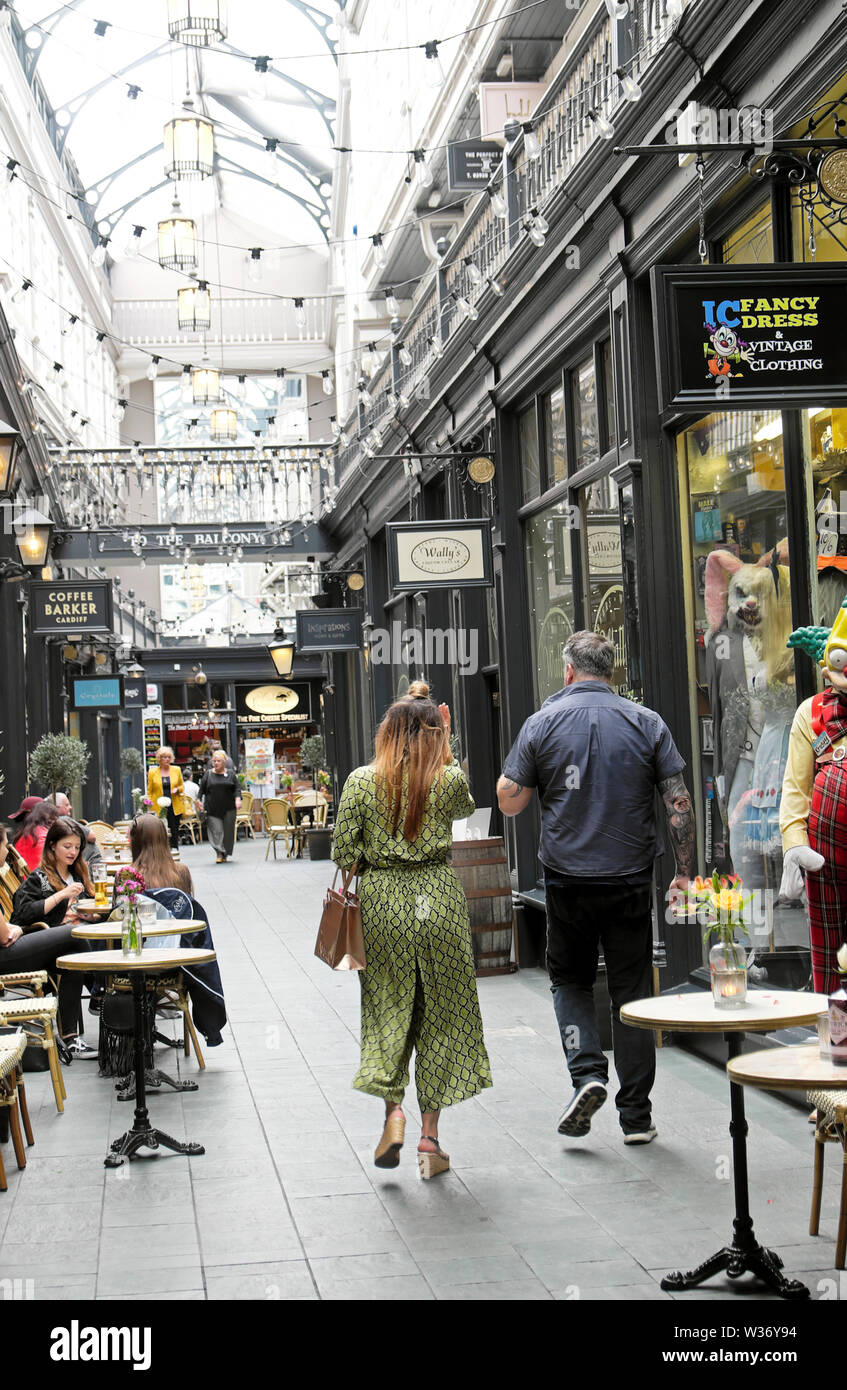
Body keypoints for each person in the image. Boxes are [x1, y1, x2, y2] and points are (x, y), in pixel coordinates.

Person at [496, 631, 693, 1146]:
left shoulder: (541, 723)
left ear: (568, 671)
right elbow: (679, 802)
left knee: (571, 982)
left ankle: (587, 1074)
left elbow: (510, 802)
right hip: (629, 879)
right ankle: (637, 1118)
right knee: (631, 993)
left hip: (567, 880)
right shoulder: (647, 722)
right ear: (613, 672)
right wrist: (685, 870)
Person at [331, 679, 492, 1178]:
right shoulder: (447, 780)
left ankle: (393, 1114)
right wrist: (448, 737)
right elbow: (468, 810)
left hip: (382, 904)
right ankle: (429, 1140)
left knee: (388, 1010)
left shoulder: (360, 781)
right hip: (438, 900)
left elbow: (343, 853)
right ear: (433, 732)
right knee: (442, 1015)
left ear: (387, 732)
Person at [9, 818, 99, 1058]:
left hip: (77, 940)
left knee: (82, 952)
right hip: (44, 942)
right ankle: (99, 991)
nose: (73, 852)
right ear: (52, 846)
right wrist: (61, 896)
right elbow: (21, 914)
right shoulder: (39, 878)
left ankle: (73, 1036)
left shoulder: (78, 873)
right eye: (66, 846)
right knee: (76, 939)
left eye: (77, 847)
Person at [129, 813, 194, 895]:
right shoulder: (181, 871)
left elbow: (118, 906)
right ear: (164, 839)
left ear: (135, 843)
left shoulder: (127, 875)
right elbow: (187, 904)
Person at [197, 750, 241, 863]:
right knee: (216, 831)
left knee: (228, 832)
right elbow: (201, 789)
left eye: (218, 761)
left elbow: (237, 788)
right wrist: (198, 801)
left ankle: (225, 852)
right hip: (212, 808)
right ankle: (219, 853)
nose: (215, 763)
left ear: (224, 762)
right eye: (214, 761)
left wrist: (237, 799)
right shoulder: (208, 774)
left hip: (229, 808)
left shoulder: (231, 773)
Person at [147, 747, 186, 850]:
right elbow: (149, 790)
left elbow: (182, 786)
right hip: (159, 805)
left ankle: (174, 848)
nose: (167, 759)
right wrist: (149, 803)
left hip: (174, 804)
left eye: (169, 757)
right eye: (164, 757)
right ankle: (162, 848)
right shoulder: (152, 772)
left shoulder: (176, 770)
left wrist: (177, 789)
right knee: (160, 828)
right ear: (159, 758)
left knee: (174, 828)